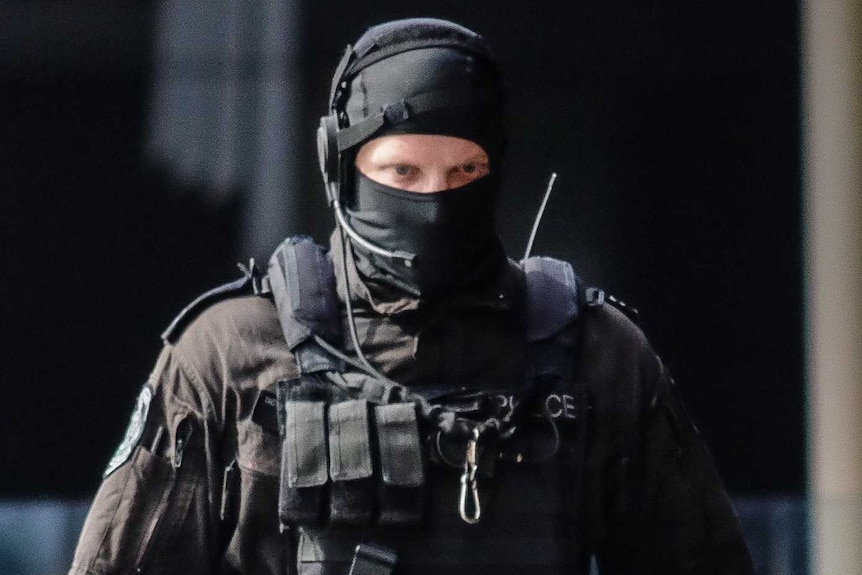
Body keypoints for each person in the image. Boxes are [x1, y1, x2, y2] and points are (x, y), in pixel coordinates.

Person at [69, 18, 754, 575]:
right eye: (401, 171)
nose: (434, 199)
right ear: (344, 169)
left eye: (464, 170)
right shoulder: (230, 353)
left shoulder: (598, 355)